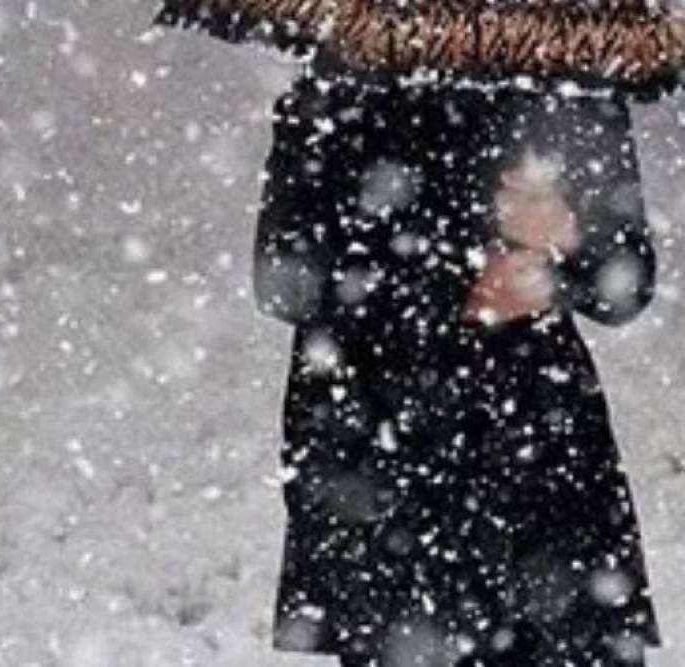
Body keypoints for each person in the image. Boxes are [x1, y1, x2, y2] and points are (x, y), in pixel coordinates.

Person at [253, 52, 663, 666]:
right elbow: (287, 279)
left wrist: (566, 240)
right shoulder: (349, 74)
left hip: (540, 445)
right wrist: (459, 284)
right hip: (387, 443)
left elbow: (627, 282)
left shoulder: (561, 68)